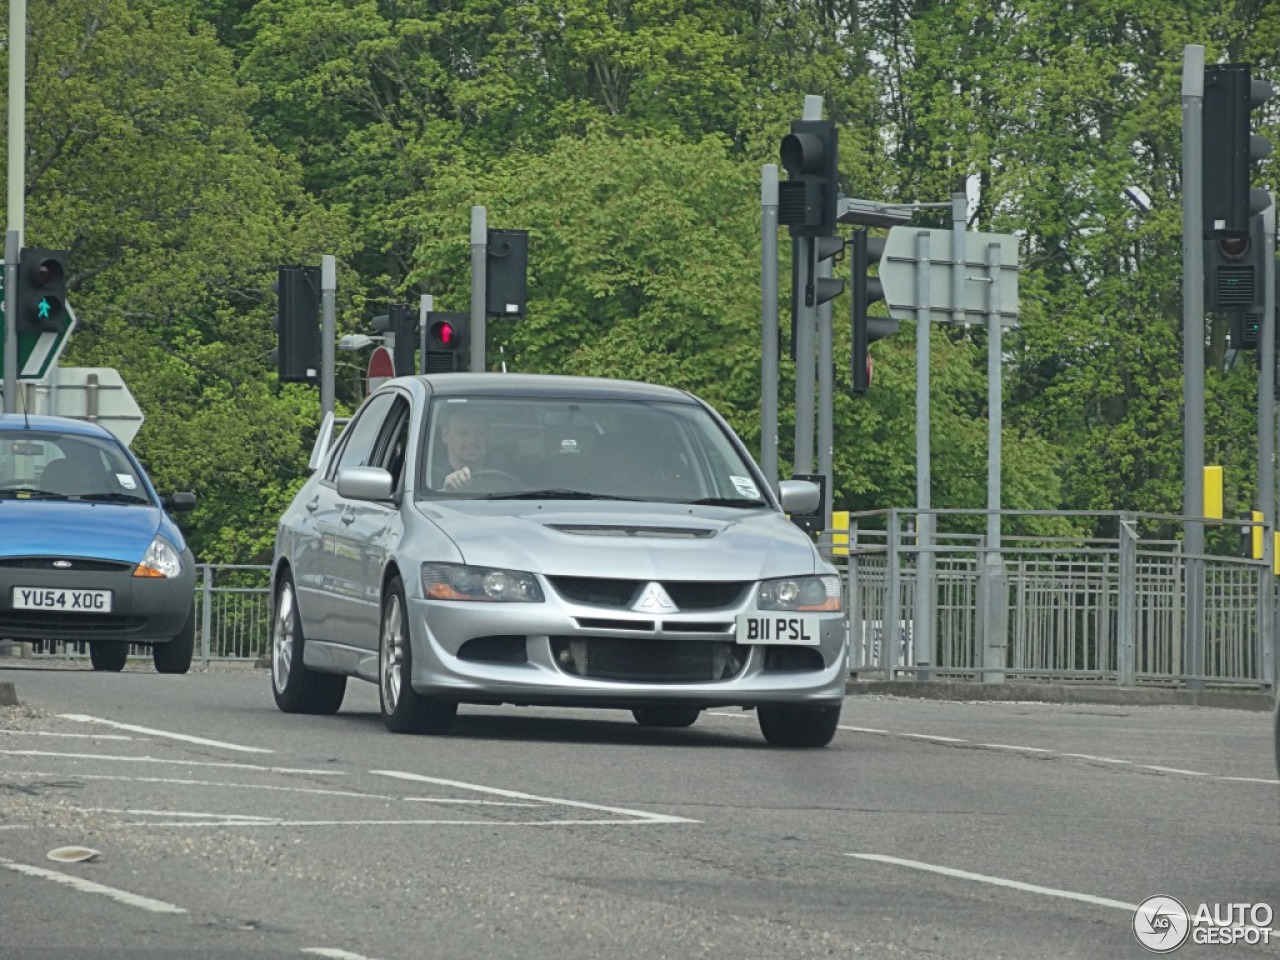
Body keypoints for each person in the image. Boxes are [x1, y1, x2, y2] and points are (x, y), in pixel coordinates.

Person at [434, 405, 489, 490]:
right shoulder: (428, 480)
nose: (472, 439)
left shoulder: (504, 481)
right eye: (463, 432)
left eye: (480, 432)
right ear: (445, 435)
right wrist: (444, 492)